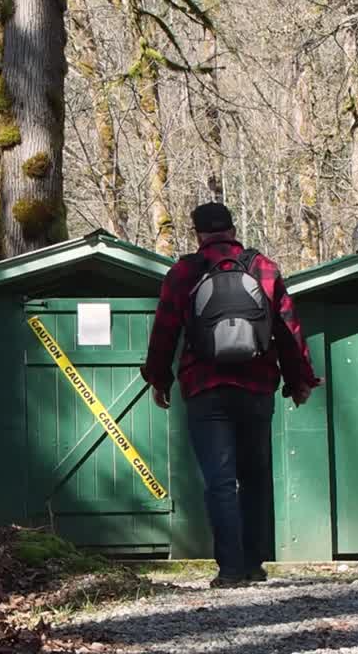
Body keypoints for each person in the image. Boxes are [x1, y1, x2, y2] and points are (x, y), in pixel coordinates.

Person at [141, 202, 322, 588]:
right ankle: (255, 563)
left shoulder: (184, 272)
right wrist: (299, 381)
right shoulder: (263, 268)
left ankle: (230, 570)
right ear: (233, 230)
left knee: (220, 480)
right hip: (257, 387)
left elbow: (164, 331)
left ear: (197, 234)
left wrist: (159, 379)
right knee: (254, 477)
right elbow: (288, 329)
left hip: (204, 388)